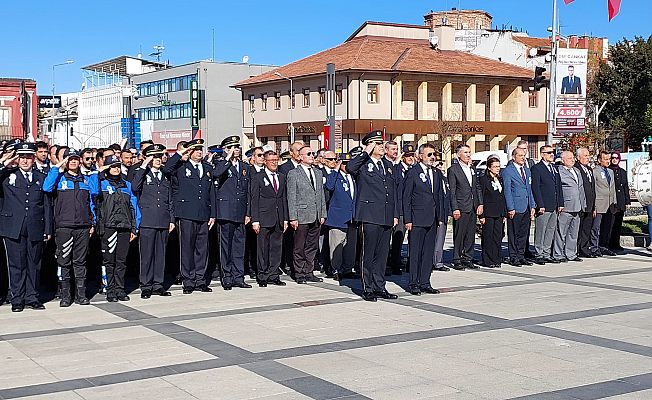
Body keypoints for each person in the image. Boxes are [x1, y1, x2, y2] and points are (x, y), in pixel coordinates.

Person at [346, 130, 399, 302]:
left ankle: (379, 286)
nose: (382, 147)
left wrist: (395, 214)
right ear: (370, 145)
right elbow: (350, 168)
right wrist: (365, 152)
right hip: (369, 215)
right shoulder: (362, 163)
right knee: (368, 254)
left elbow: (393, 192)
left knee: (382, 254)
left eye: (382, 144)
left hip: (385, 215)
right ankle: (367, 288)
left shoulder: (387, 164)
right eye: (377, 144)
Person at [0, 143, 52, 312]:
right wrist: (5, 164)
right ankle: (17, 298)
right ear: (17, 158)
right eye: (22, 157)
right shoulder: (8, 175)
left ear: (33, 159)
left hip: (35, 226)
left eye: (28, 157)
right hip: (13, 227)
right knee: (16, 265)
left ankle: (32, 297)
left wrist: (48, 228)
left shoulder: (40, 176)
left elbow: (46, 204)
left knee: (34, 264)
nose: (25, 161)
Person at [43, 148, 98, 307]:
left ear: (79, 161)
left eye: (75, 159)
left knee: (80, 262)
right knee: (64, 261)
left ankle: (81, 295)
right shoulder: (59, 178)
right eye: (70, 159)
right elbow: (46, 187)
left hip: (83, 226)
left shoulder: (85, 179)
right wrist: (57, 167)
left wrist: (92, 222)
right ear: (66, 162)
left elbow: (93, 196)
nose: (73, 162)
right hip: (64, 226)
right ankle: (66, 296)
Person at [162, 139, 216, 294]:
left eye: (200, 149)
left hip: (203, 213)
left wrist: (213, 214)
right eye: (196, 149)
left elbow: (210, 191)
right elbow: (167, 169)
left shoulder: (207, 167)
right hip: (186, 213)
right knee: (186, 248)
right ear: (189, 152)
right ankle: (188, 280)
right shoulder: (181, 166)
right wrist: (180, 153)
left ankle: (200, 280)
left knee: (202, 249)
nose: (199, 152)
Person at [95, 155, 141, 302]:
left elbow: (133, 206)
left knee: (121, 260)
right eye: (112, 166)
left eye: (117, 166)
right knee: (109, 261)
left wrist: (135, 227)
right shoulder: (101, 183)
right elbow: (92, 192)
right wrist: (98, 172)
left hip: (125, 227)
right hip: (109, 227)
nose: (115, 169)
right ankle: (110, 289)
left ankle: (120, 289)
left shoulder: (127, 185)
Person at [131, 144, 174, 298]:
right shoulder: (142, 173)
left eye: (159, 156)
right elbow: (135, 187)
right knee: (147, 255)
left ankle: (158, 284)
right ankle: (146, 285)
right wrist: (143, 165)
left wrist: (172, 219)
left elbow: (169, 199)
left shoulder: (164, 174)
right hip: (148, 220)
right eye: (154, 157)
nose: (157, 159)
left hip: (163, 219)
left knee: (160, 254)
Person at [402, 143, 443, 295]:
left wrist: (440, 216)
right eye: (429, 155)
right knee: (415, 252)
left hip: (432, 218)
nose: (432, 157)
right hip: (416, 219)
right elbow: (406, 197)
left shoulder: (436, 173)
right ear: (420, 156)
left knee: (428, 252)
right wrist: (408, 219)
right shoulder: (413, 172)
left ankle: (425, 281)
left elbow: (439, 196)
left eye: (433, 154)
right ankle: (413, 283)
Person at [213, 135, 251, 290]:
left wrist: (248, 212)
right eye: (233, 147)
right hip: (225, 211)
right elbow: (216, 174)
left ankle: (238, 277)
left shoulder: (244, 166)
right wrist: (227, 158)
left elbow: (247, 191)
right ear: (226, 149)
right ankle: (227, 277)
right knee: (226, 247)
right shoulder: (220, 163)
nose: (237, 150)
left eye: (238, 147)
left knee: (239, 247)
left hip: (240, 211)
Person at [286, 145, 327, 284]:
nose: (312, 156)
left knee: (312, 245)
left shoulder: (318, 173)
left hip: (315, 214)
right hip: (301, 214)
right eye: (308, 153)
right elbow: (291, 196)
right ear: (300, 157)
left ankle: (309, 271)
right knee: (299, 246)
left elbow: (320, 194)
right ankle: (299, 273)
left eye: (313, 153)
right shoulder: (294, 173)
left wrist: (322, 213)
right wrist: (293, 217)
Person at [250, 150, 288, 287]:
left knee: (276, 248)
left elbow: (283, 198)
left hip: (278, 217)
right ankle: (263, 275)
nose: (274, 163)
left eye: (276, 160)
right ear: (265, 162)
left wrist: (285, 219)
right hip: (264, 217)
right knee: (263, 248)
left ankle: (274, 275)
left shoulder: (281, 177)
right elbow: (254, 199)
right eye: (271, 160)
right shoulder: (258, 177)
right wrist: (255, 220)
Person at [324, 148, 360, 282]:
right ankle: (336, 269)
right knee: (337, 245)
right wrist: (336, 169)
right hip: (338, 216)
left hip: (352, 217)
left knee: (351, 245)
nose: (347, 166)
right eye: (345, 163)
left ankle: (348, 268)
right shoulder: (334, 176)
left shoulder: (353, 177)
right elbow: (329, 186)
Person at [447, 144, 480, 270]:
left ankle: (468, 257)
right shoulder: (453, 169)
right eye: (465, 152)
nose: (468, 155)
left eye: (469, 152)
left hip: (472, 206)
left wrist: (479, 203)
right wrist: (455, 208)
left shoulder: (472, 168)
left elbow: (477, 187)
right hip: (461, 206)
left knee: (470, 234)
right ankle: (457, 258)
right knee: (459, 233)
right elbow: (452, 191)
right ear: (458, 155)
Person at [502, 147, 536, 267]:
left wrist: (532, 205)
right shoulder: (508, 171)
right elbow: (507, 191)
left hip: (526, 206)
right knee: (513, 233)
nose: (523, 158)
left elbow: (529, 189)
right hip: (515, 207)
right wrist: (510, 207)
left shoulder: (526, 170)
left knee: (524, 233)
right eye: (520, 155)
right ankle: (513, 256)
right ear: (513, 157)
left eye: (524, 155)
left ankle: (521, 255)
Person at [530, 145, 564, 264]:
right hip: (544, 204)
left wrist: (560, 203)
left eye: (553, 152)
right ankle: (539, 253)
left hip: (554, 205)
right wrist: (540, 204)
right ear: (542, 154)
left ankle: (546, 252)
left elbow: (558, 186)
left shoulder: (554, 168)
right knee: (541, 230)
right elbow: (536, 188)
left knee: (550, 230)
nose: (552, 154)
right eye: (549, 152)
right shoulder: (537, 168)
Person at [553, 151, 586, 262]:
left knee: (573, 232)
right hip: (566, 206)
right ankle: (558, 254)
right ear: (563, 160)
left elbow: (581, 188)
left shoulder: (576, 171)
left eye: (573, 158)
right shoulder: (559, 171)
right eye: (569, 158)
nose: (572, 160)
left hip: (578, 206)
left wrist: (583, 204)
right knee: (561, 231)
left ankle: (571, 253)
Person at [389, 144, 415, 275]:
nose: (410, 158)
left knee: (412, 239)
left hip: (411, 210)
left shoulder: (414, 170)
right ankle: (395, 264)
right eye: (408, 155)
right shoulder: (397, 168)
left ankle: (411, 263)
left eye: (412, 155)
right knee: (398, 238)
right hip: (400, 210)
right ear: (403, 156)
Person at [477, 157, 506, 268]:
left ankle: (496, 259)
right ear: (489, 167)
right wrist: (482, 215)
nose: (497, 169)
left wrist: (504, 213)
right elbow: (482, 197)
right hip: (488, 213)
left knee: (498, 236)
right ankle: (487, 260)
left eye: (498, 166)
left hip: (499, 213)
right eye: (495, 166)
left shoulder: (500, 179)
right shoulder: (483, 179)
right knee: (488, 237)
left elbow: (502, 197)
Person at [591, 151, 617, 257]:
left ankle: (604, 246)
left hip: (609, 204)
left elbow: (613, 188)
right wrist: (594, 206)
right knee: (596, 227)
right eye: (605, 159)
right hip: (599, 203)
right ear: (599, 160)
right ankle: (594, 247)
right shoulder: (595, 171)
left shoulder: (610, 172)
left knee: (607, 227)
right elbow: (593, 189)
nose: (608, 161)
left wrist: (614, 202)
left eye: (609, 159)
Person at [575, 148, 597, 258]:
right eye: (585, 156)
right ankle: (578, 248)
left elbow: (592, 188)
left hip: (590, 204)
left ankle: (585, 247)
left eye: (588, 155)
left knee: (587, 228)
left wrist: (594, 206)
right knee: (579, 228)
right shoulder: (576, 168)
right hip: (581, 204)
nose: (587, 158)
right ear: (578, 158)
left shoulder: (589, 169)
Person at [608, 151, 630, 251]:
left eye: (617, 158)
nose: (615, 159)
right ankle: (609, 243)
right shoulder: (608, 170)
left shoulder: (622, 171)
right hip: (612, 201)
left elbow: (626, 187)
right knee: (610, 224)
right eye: (613, 157)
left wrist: (627, 201)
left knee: (618, 224)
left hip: (620, 201)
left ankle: (616, 243)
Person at [433, 158, 451, 271]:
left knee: (440, 239)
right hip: (435, 214)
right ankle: (435, 262)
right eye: (437, 164)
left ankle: (438, 261)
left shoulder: (444, 179)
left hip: (443, 213)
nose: (440, 166)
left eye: (441, 164)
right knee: (435, 240)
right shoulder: (434, 179)